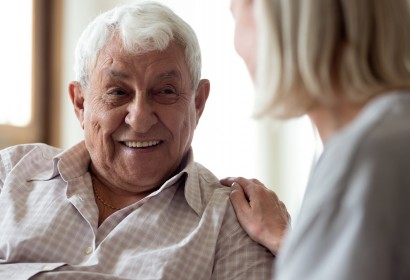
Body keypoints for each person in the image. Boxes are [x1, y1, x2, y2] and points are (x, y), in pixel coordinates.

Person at [0, 2, 280, 279]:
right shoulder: (9, 173)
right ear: (80, 103)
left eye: (166, 91)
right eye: (118, 92)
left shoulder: (234, 221)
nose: (140, 119)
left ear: (198, 103)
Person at [222, 0, 410, 279]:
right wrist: (290, 243)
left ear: (280, 22)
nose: (237, 46)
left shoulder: (363, 160)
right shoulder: (390, 134)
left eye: (236, 13)